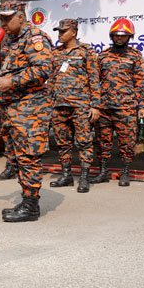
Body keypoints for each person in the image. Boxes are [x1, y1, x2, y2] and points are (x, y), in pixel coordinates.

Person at [0, 0, 54, 222]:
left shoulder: (35, 37)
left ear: (21, 16)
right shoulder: (12, 40)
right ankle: (26, 198)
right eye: (1, 18)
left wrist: (11, 82)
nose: (3, 22)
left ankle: (31, 206)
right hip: (14, 108)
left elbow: (43, 69)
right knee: (18, 157)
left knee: (29, 156)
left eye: (8, 18)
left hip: (31, 108)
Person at [91, 18, 144, 187]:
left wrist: (142, 106)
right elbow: (95, 81)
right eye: (116, 35)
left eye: (123, 36)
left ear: (129, 37)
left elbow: (140, 82)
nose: (119, 38)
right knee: (102, 141)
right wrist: (94, 104)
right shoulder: (102, 56)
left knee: (127, 141)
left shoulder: (135, 56)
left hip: (126, 107)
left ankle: (125, 172)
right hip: (105, 107)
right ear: (111, 36)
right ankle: (103, 172)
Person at [47, 19, 102, 193]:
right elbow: (51, 80)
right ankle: (66, 175)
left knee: (84, 142)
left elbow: (94, 79)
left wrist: (96, 106)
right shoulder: (55, 53)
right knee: (62, 142)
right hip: (59, 105)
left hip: (80, 105)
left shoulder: (86, 50)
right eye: (59, 31)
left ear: (74, 32)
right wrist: (49, 103)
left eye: (63, 31)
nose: (60, 34)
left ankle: (84, 178)